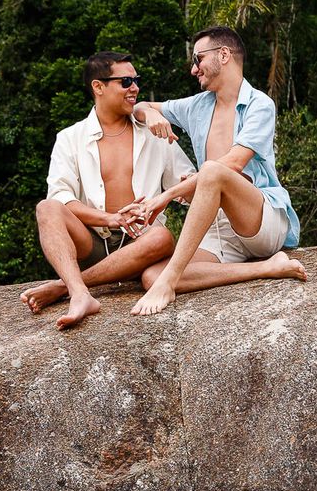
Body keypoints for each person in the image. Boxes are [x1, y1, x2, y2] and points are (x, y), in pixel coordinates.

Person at [125, 26, 306, 316]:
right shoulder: (197, 106)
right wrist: (152, 115)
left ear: (223, 55)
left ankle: (169, 284)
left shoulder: (260, 104)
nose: (193, 69)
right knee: (150, 277)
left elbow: (231, 164)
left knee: (212, 170)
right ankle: (266, 268)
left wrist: (168, 195)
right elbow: (140, 106)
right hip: (218, 229)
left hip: (258, 220)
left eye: (198, 59)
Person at [21, 51, 196, 330]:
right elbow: (62, 197)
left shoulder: (154, 131)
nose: (135, 88)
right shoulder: (70, 138)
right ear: (98, 87)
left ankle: (64, 286)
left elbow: (188, 186)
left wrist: (162, 201)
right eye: (126, 81)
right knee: (46, 207)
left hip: (140, 242)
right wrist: (110, 219)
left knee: (162, 237)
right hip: (91, 240)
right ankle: (80, 294)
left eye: (136, 80)